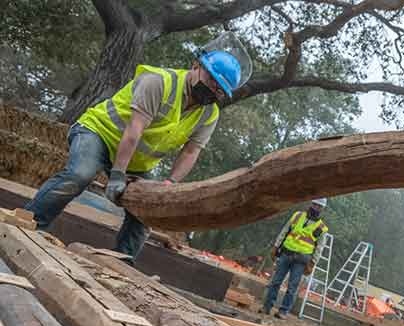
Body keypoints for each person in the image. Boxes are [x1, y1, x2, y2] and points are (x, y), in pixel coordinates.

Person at [26, 33, 252, 260]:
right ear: (196, 66)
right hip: (99, 133)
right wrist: (117, 175)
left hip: (137, 160)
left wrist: (170, 184)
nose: (214, 90)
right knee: (79, 174)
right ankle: (30, 224)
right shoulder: (159, 82)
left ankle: (121, 260)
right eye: (212, 80)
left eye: (220, 89)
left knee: (149, 207)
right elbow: (134, 131)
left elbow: (191, 151)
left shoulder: (209, 114)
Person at [261, 198, 329, 318]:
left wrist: (313, 263)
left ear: (322, 209)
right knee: (275, 282)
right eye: (315, 205)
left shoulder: (321, 228)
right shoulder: (297, 216)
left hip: (301, 260)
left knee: (292, 287)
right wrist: (276, 246)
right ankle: (267, 307)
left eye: (319, 206)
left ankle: (283, 312)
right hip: (286, 254)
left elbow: (319, 247)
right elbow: (285, 231)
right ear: (311, 204)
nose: (316, 208)